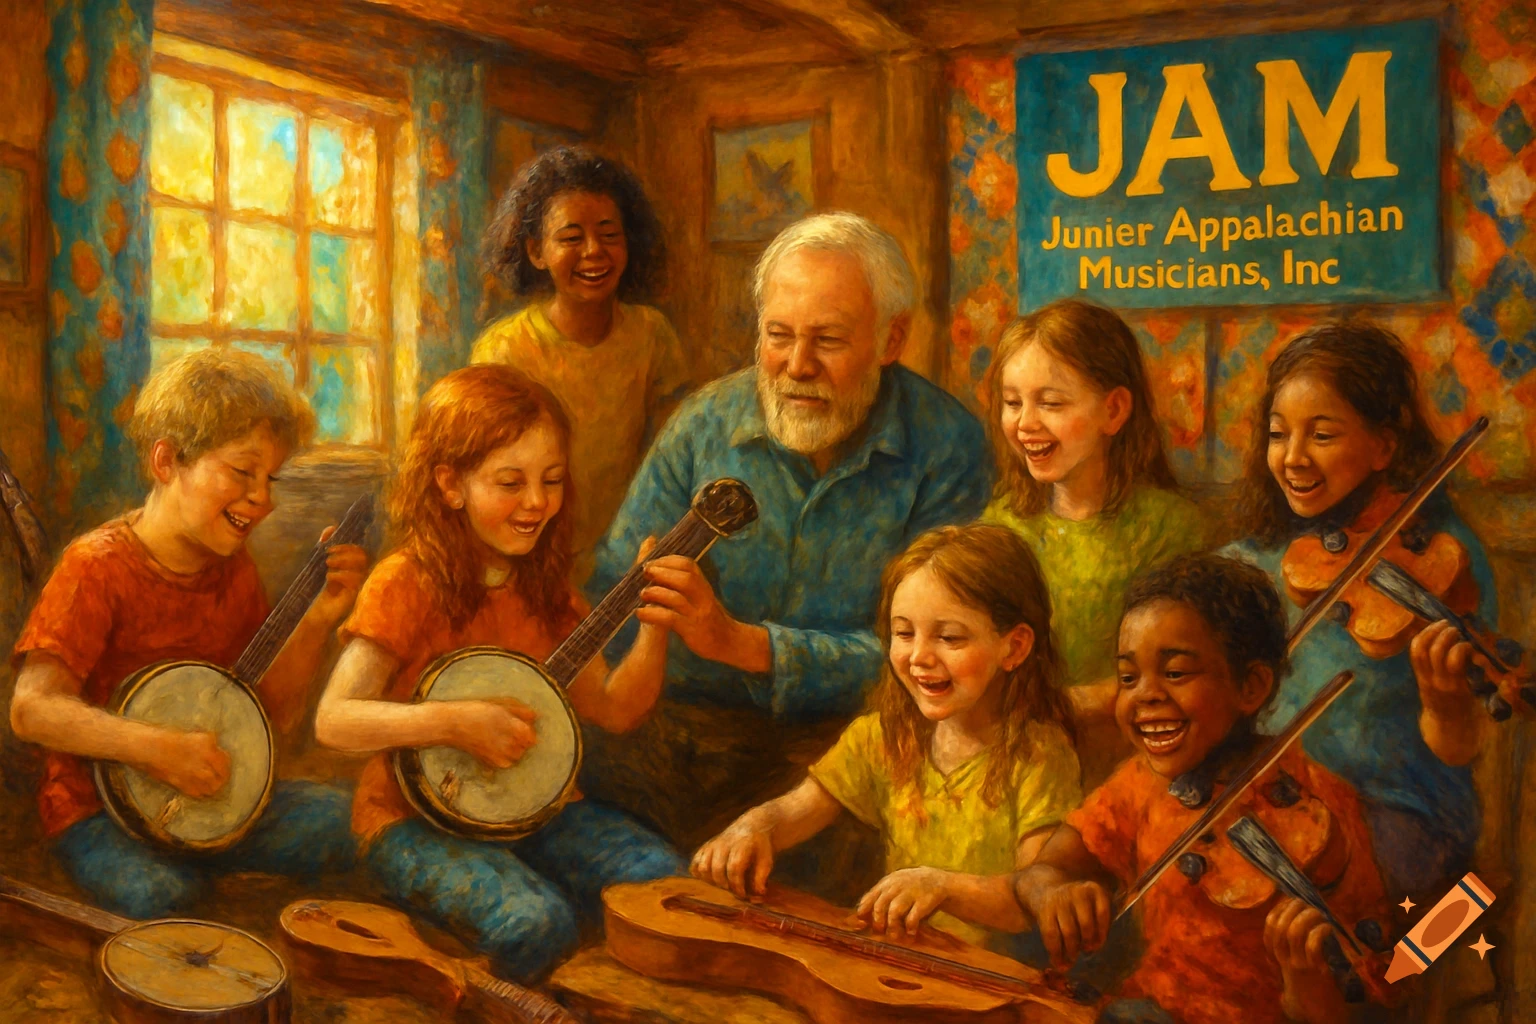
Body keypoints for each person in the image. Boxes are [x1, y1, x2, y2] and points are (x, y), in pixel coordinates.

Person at [581, 212, 992, 897]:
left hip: (834, 755)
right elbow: (608, 595)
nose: (796, 366)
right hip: (670, 734)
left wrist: (744, 644)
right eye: (778, 337)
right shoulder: (703, 424)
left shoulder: (946, 447)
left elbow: (939, 656)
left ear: (892, 338)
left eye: (828, 341)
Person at [314, 365, 683, 983]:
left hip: (541, 810)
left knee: (661, 882)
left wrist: (655, 625)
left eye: (552, 480)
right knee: (537, 923)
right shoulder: (406, 582)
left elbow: (617, 709)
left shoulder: (551, 596)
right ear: (450, 484)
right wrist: (457, 722)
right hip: (412, 821)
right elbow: (334, 719)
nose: (536, 502)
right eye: (511, 482)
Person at [9, 349, 365, 918]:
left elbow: (262, 719)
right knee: (165, 899)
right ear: (167, 460)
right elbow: (31, 709)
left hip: (220, 802)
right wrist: (158, 750)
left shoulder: (236, 571)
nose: (263, 499)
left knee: (363, 820)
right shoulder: (95, 566)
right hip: (100, 814)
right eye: (242, 472)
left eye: (269, 480)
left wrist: (318, 620)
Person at [1014, 554, 1392, 1024]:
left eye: (1175, 673)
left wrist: (1310, 993)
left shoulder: (1317, 795)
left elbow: (1385, 978)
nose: (1145, 695)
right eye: (1129, 678)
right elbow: (1044, 868)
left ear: (1251, 687)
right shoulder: (1141, 783)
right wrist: (1051, 892)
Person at [693, 524, 1079, 947]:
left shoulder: (1039, 755)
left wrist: (941, 886)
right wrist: (755, 827)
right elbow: (795, 811)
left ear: (1015, 647)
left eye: (949, 637)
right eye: (904, 633)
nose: (919, 657)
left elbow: (1029, 898)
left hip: (986, 979)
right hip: (897, 963)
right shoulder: (880, 736)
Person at [1224, 320, 1495, 899]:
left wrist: (1447, 705)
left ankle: (1370, 980)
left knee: (1297, 912)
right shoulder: (1258, 559)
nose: (1293, 458)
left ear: (1383, 446)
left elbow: (1461, 748)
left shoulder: (1440, 558)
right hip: (1273, 803)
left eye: (1322, 436)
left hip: (1400, 816)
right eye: (1278, 434)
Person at [981, 299, 1205, 788]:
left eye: (1052, 403)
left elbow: (1180, 673)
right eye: (1013, 402)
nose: (1026, 423)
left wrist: (1069, 704)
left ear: (1114, 409)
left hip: (1134, 765)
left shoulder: (1170, 529)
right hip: (1021, 763)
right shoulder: (1000, 527)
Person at [473, 146, 690, 579]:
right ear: (536, 251)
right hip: (531, 567)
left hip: (632, 562)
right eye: (571, 238)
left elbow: (676, 462)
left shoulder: (652, 335)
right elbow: (487, 484)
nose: (594, 252)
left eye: (610, 235)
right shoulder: (504, 350)